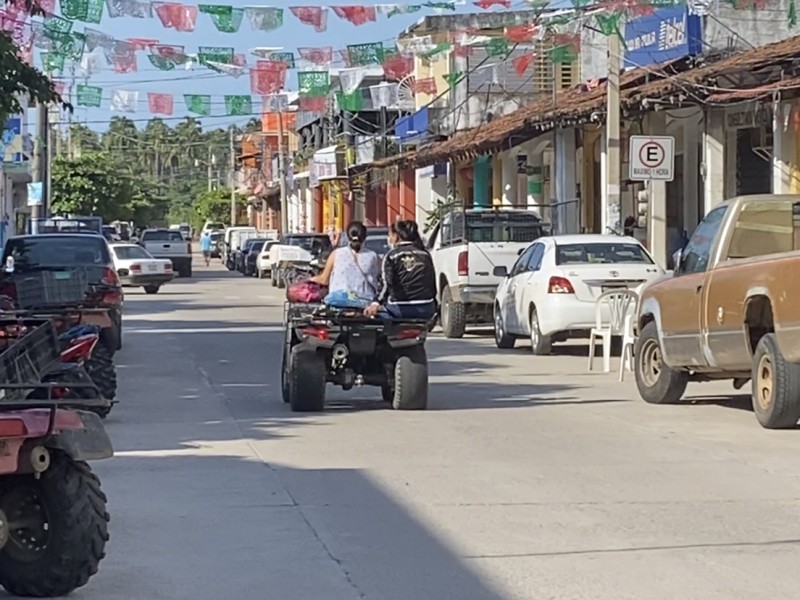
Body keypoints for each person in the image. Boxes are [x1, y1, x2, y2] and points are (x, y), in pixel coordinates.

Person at [364, 220, 437, 319]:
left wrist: (376, 303)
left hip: (399, 309)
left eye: (390, 235)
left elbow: (386, 284)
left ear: (396, 236)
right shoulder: (425, 255)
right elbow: (432, 284)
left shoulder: (391, 256)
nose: (389, 238)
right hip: (426, 308)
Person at [310, 221, 380, 308]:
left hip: (339, 302)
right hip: (365, 302)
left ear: (347, 236)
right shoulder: (374, 257)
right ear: (365, 237)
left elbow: (324, 280)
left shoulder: (336, 254)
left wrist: (309, 279)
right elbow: (381, 278)